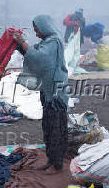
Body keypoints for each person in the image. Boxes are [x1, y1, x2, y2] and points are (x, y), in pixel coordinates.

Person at [12, 14, 69, 173]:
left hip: (56, 94)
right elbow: (33, 54)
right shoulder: (47, 42)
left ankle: (57, 165)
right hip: (49, 90)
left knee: (56, 128)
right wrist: (19, 45)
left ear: (44, 27)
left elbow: (39, 59)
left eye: (37, 29)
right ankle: (52, 160)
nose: (36, 32)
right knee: (49, 127)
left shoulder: (53, 43)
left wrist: (22, 43)